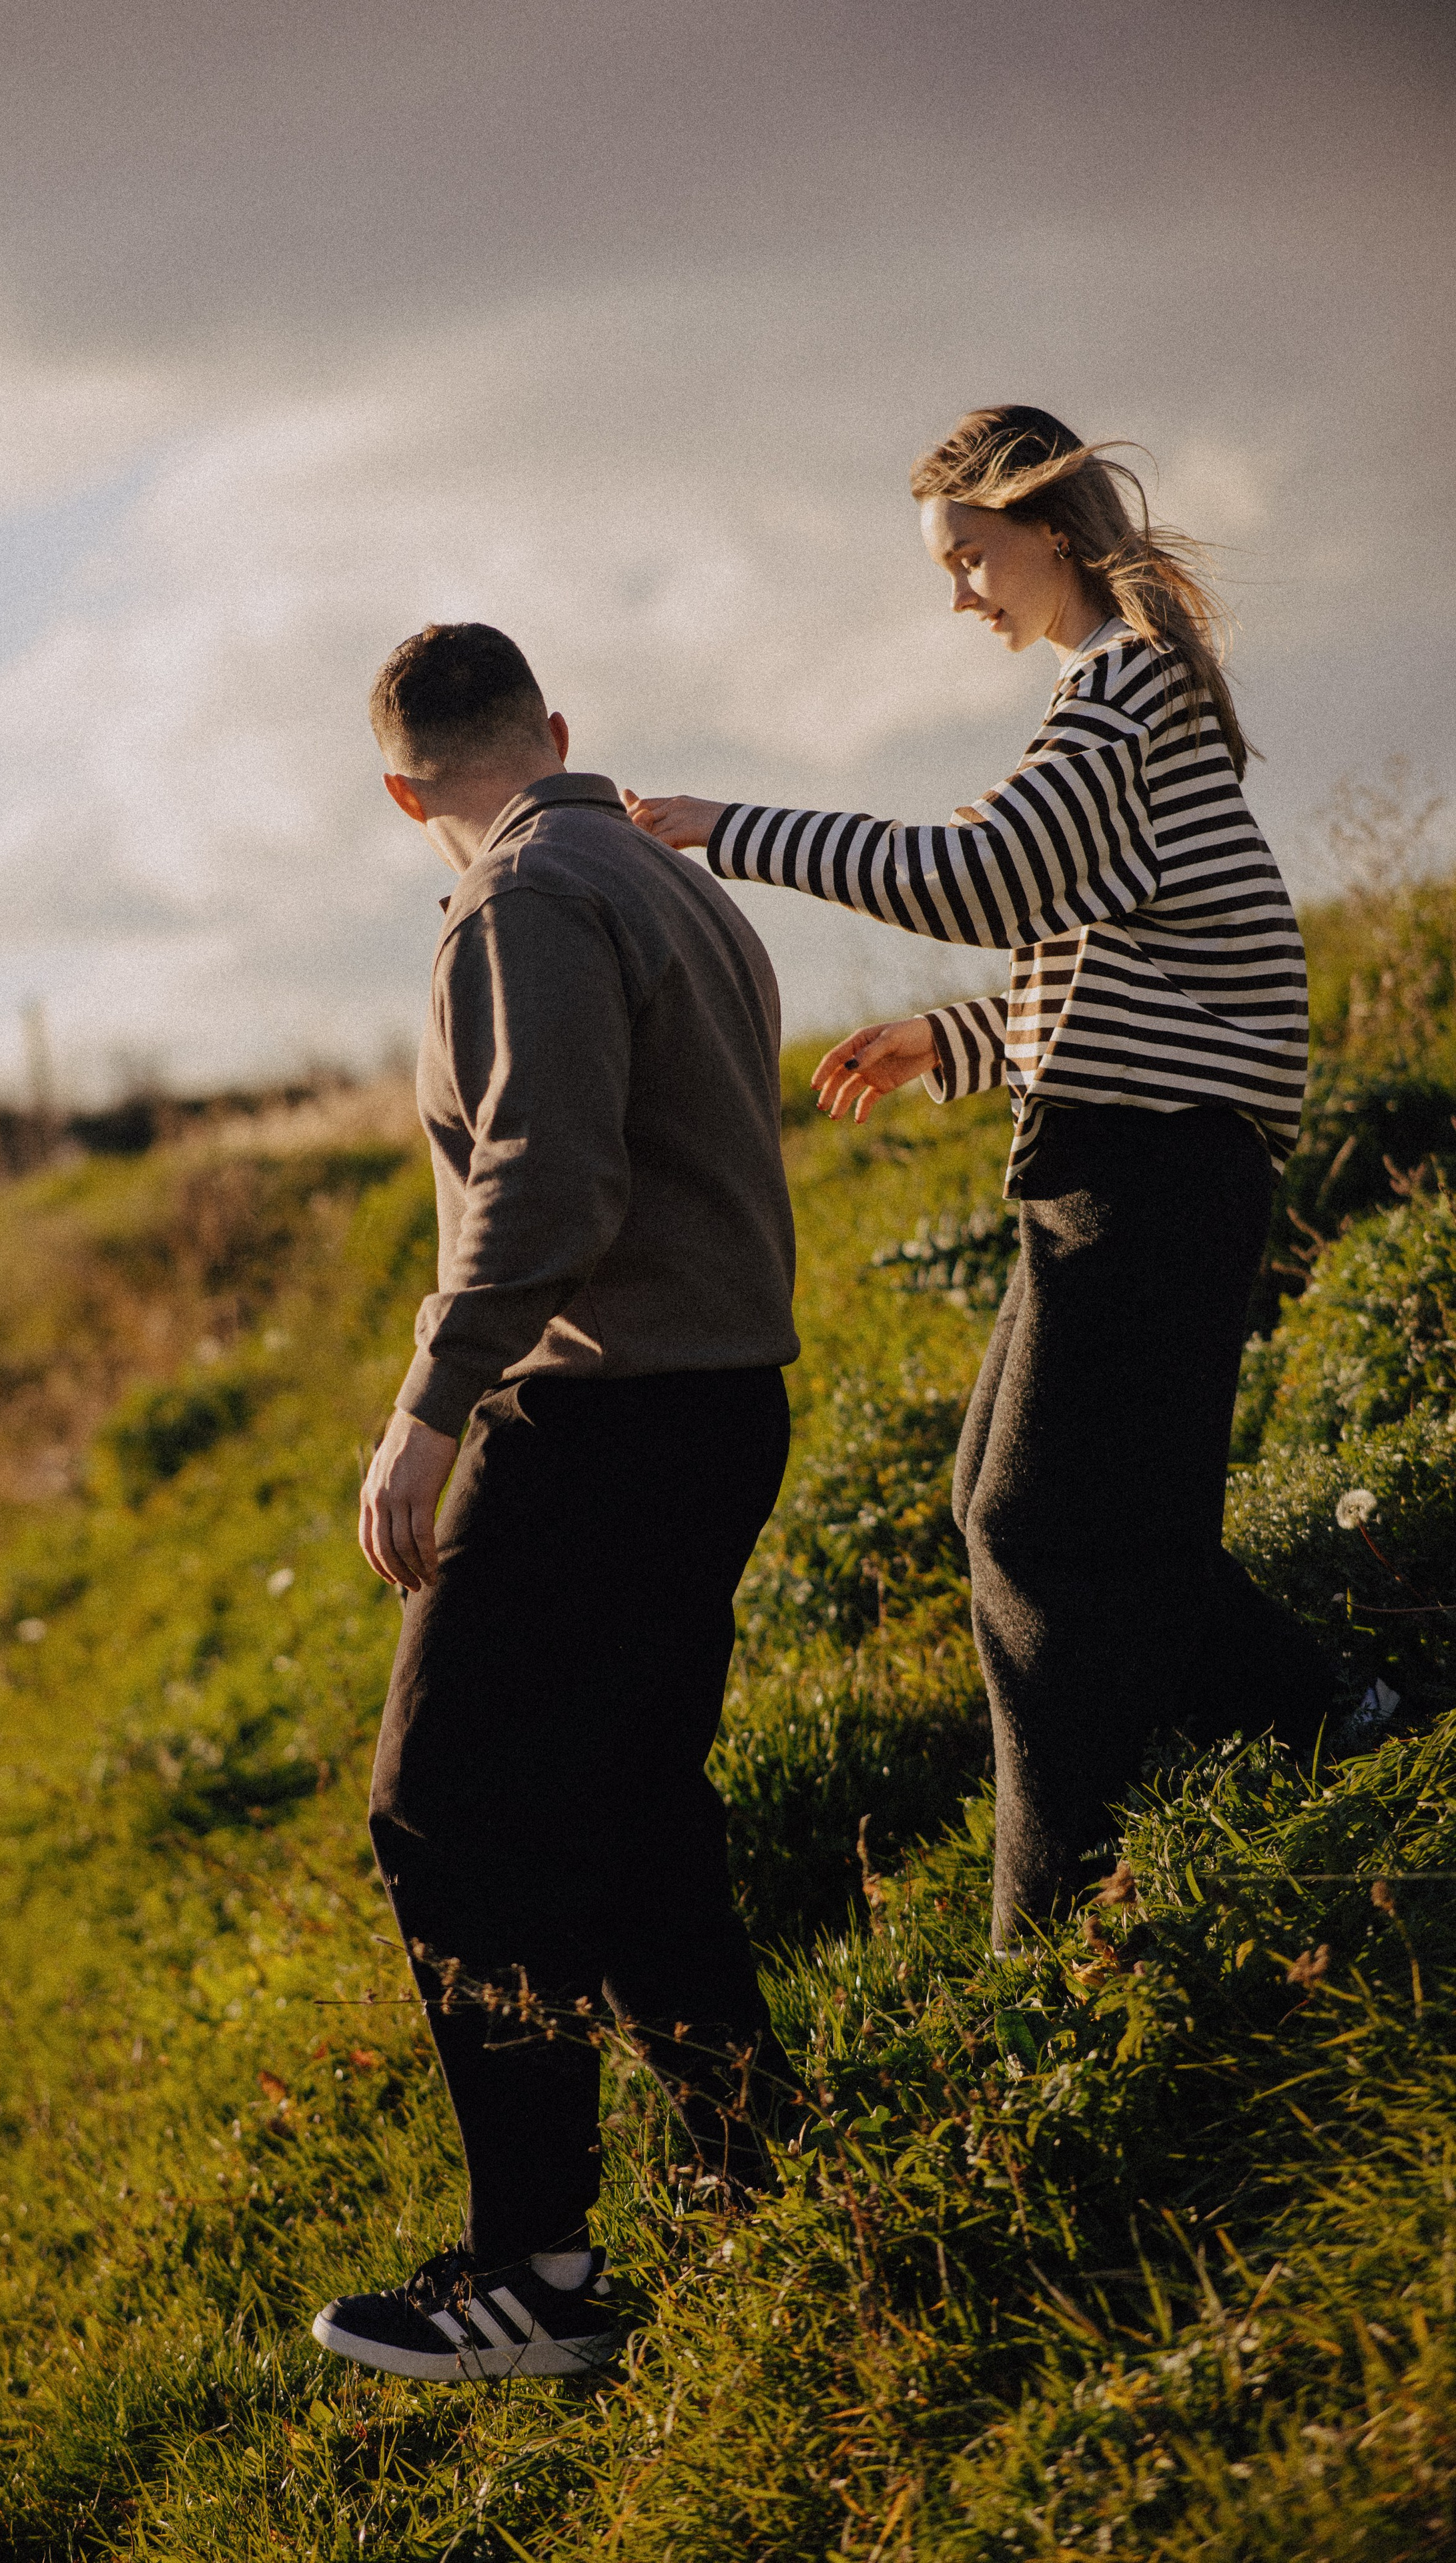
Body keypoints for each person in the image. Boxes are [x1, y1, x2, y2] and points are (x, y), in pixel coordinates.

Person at [627, 404, 1345, 1957]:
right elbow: (1118, 952)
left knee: (1033, 1528)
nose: (955, 595)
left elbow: (983, 880)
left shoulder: (1120, 692)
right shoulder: (1115, 698)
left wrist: (726, 827)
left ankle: (1048, 1926)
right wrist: (952, 1039)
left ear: (1049, 529)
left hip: (1158, 1162)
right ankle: (1335, 1721)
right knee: (1029, 1509)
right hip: (1128, 1152)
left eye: (967, 557)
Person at [313, 622, 801, 2383]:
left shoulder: (516, 899)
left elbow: (548, 1178)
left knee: (443, 1809)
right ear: (554, 725)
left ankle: (535, 2272)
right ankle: (763, 2169)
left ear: (401, 794)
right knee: (632, 1808)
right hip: (719, 1402)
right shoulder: (670, 884)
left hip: (598, 1414)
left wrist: (428, 1406)